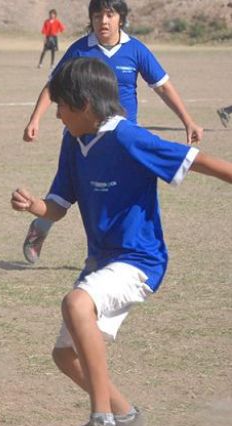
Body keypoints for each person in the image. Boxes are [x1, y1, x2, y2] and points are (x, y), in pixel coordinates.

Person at [11, 57, 232, 426]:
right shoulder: (73, 140)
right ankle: (127, 416)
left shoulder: (129, 138)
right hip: (101, 262)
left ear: (84, 104)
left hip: (140, 261)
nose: (56, 113)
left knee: (77, 305)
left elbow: (203, 163)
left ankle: (103, 424)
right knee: (65, 356)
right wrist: (36, 209)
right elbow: (59, 205)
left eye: (60, 105)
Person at [20, 0, 204, 264]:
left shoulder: (135, 50)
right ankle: (41, 227)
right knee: (66, 192)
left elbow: (162, 86)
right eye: (97, 16)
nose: (103, 21)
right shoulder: (80, 50)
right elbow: (53, 86)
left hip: (122, 142)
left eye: (109, 15)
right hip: (81, 136)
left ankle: (114, 254)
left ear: (121, 18)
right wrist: (35, 119)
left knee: (118, 195)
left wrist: (188, 120)